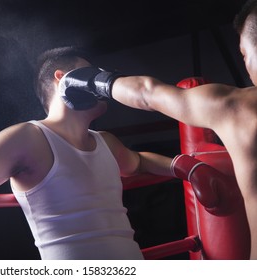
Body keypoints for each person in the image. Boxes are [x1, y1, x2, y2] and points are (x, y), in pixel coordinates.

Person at [0, 47, 230, 260]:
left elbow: (138, 162)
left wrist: (186, 166)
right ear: (62, 79)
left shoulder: (106, 141)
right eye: (90, 74)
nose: (101, 82)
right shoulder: (28, 137)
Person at [56, 0, 257, 260]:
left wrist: (89, 80)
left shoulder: (235, 108)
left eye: (243, 53)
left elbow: (147, 93)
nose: (244, 64)